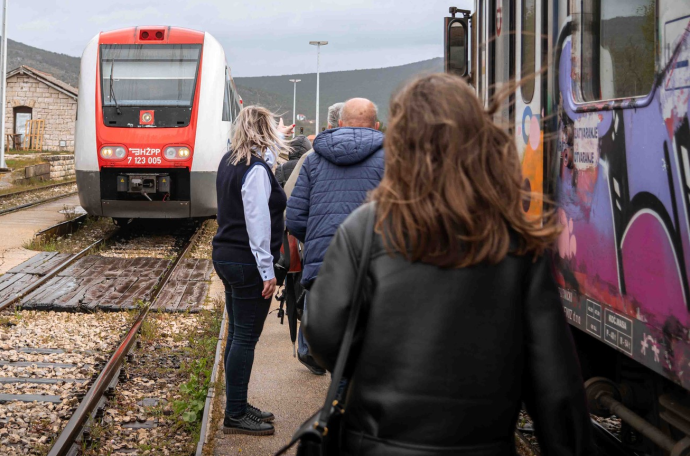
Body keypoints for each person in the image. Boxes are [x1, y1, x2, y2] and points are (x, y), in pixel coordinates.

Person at [303, 73, 590, 455]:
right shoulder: (515, 237)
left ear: (401, 141)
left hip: (374, 443)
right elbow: (556, 386)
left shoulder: (365, 227)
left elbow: (323, 336)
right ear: (479, 139)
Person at [286, 97, 383, 374]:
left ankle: (337, 404)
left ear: (339, 124)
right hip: (373, 266)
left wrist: (317, 240)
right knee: (365, 351)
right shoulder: (393, 159)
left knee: (338, 351)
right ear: (376, 126)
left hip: (324, 266)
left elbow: (294, 217)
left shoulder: (313, 160)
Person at [212, 106, 288, 437]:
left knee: (237, 334)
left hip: (226, 255)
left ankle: (238, 403)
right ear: (263, 130)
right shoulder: (255, 170)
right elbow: (257, 223)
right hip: (247, 261)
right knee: (245, 336)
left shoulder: (228, 161)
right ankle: (236, 413)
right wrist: (267, 270)